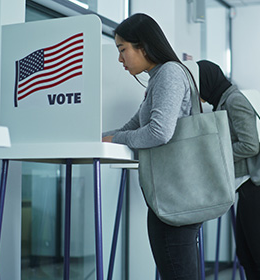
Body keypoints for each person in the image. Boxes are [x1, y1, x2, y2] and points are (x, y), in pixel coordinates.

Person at [102, 14, 201, 279]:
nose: (120, 59)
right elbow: (130, 128)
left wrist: (115, 140)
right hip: (170, 194)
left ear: (143, 46)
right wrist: (99, 137)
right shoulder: (157, 78)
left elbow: (159, 132)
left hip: (175, 195)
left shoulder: (169, 72)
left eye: (123, 50)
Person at [197, 60, 260, 280]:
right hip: (250, 186)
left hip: (258, 186)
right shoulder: (224, 102)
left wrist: (217, 156)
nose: (199, 94)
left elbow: (250, 145)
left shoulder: (234, 101)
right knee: (246, 255)